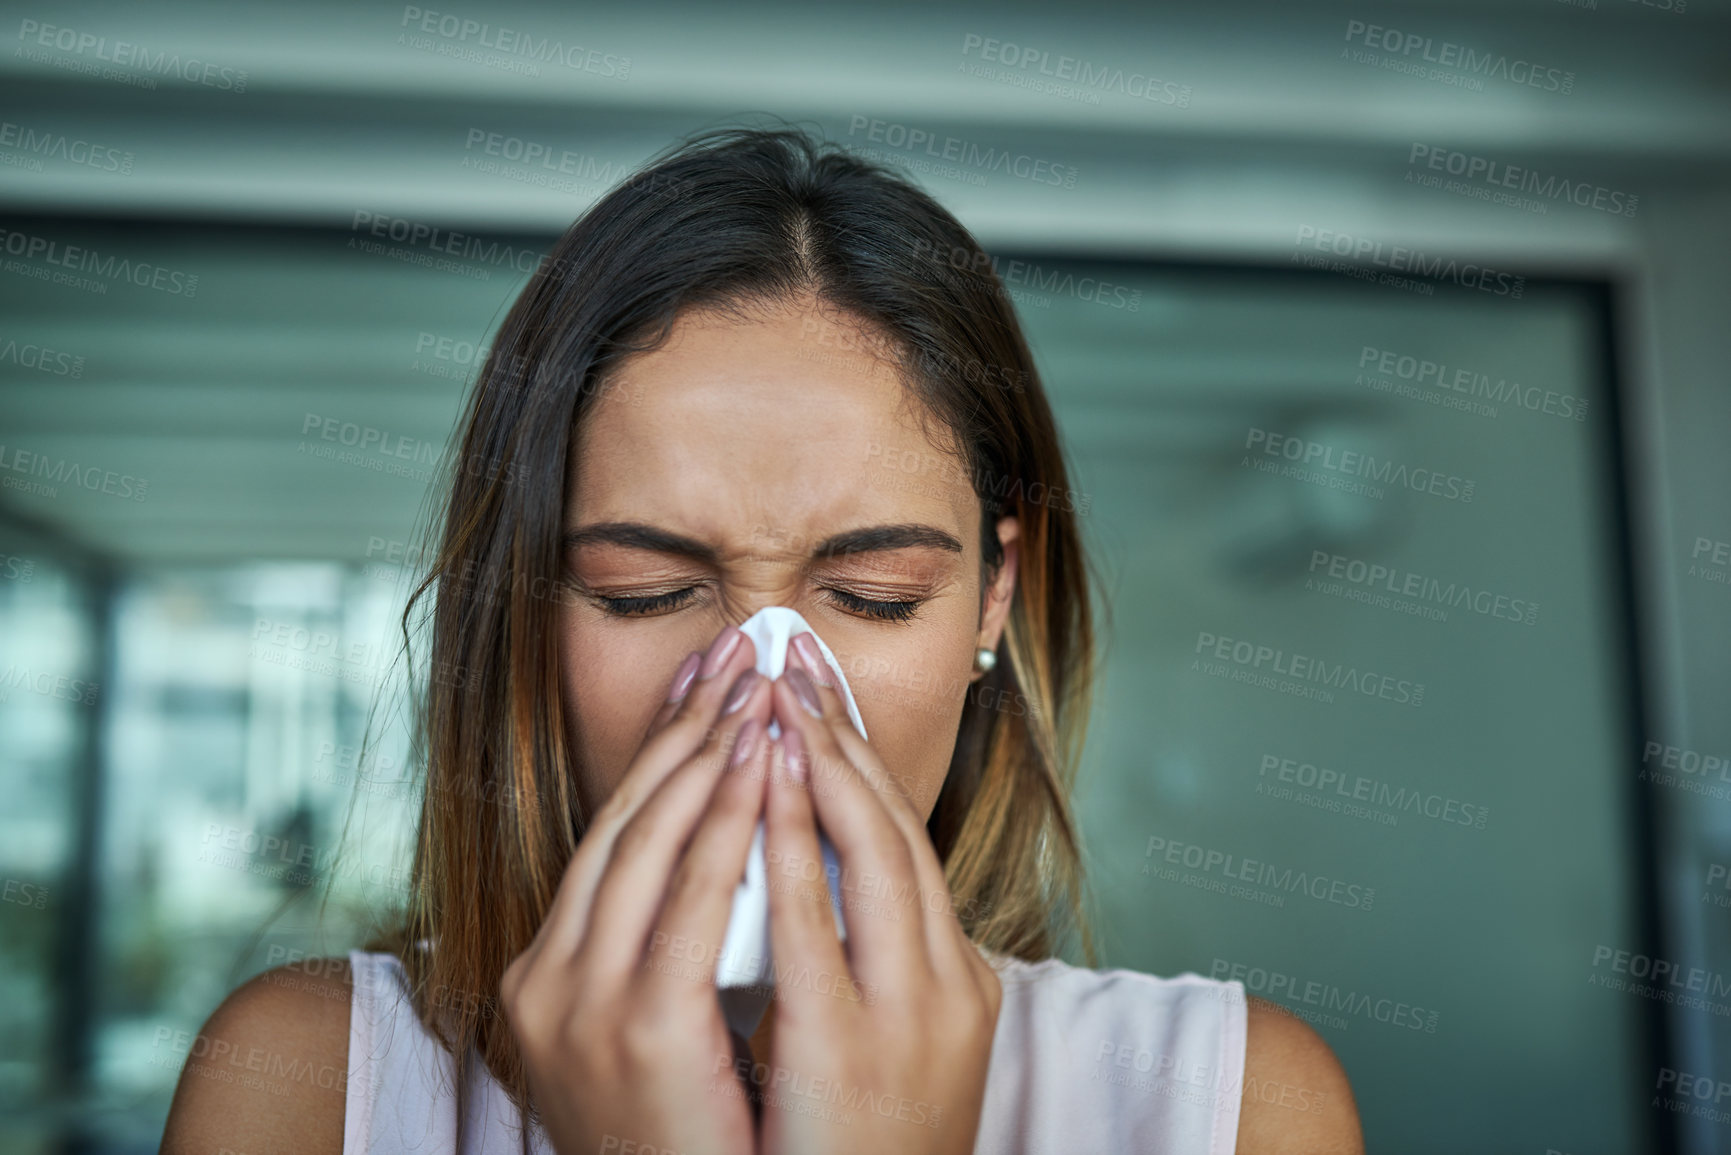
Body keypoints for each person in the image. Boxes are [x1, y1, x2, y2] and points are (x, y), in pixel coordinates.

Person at [161, 124, 1362, 1154]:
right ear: (525, 608)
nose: (770, 694)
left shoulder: (1232, 1102)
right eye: (641, 590)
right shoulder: (310, 1083)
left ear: (994, 599)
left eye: (877, 594)